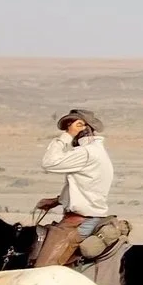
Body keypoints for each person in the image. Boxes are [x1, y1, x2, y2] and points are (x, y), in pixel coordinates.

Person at [33, 109, 115, 268]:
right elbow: (85, 186)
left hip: (78, 222)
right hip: (84, 218)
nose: (68, 129)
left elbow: (49, 163)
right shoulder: (96, 151)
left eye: (71, 125)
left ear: (83, 127)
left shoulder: (86, 153)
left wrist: (67, 136)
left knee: (42, 271)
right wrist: (57, 201)